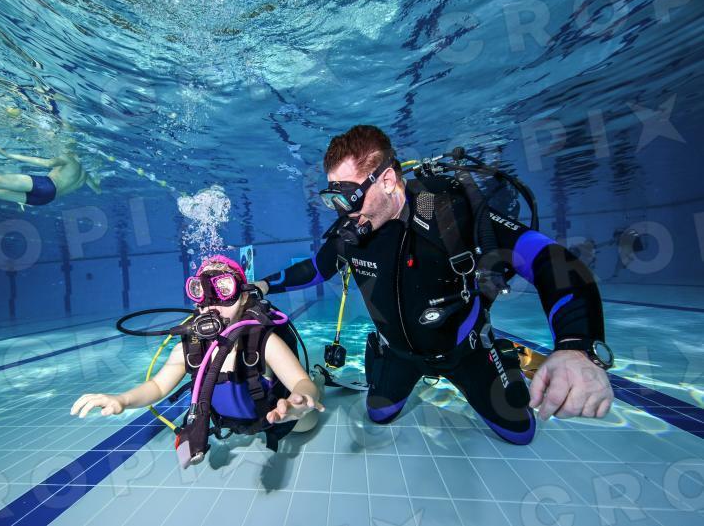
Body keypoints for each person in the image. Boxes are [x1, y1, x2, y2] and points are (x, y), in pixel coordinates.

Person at [254, 125, 614, 445]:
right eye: (332, 198)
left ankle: (503, 356)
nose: (343, 211)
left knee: (520, 433)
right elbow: (316, 269)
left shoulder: (449, 213)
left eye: (349, 196)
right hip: (398, 354)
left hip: (465, 352)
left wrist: (576, 347)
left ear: (387, 180)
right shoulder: (352, 232)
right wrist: (264, 287)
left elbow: (551, 260)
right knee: (378, 415)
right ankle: (379, 353)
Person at [71, 255, 325, 465]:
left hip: (276, 415)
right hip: (233, 422)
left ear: (243, 297)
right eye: (202, 292)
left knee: (307, 422)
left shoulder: (263, 342)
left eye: (224, 290)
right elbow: (157, 386)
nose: (213, 305)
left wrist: (300, 401)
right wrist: (122, 400)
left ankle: (321, 378)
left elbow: (300, 383)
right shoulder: (190, 348)